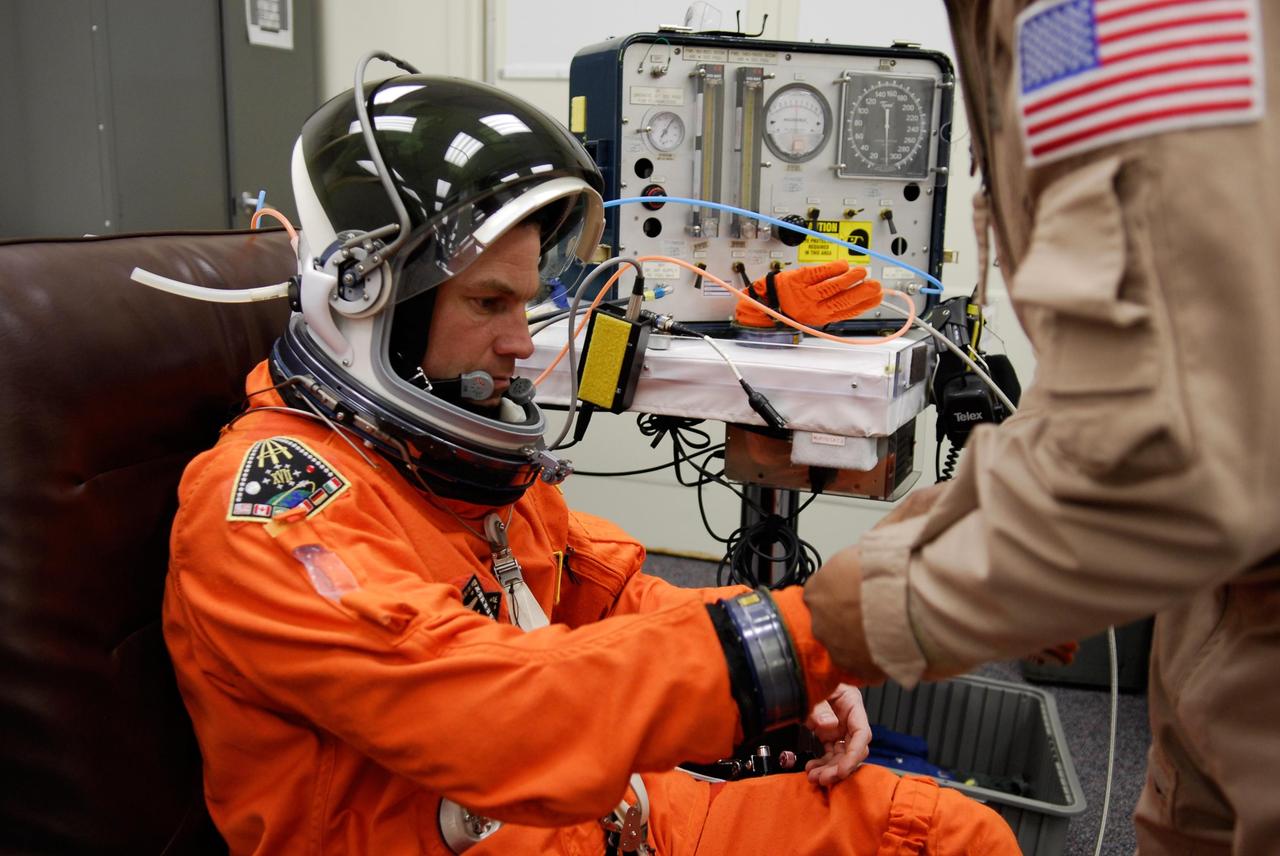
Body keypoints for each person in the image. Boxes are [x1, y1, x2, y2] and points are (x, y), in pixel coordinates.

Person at [161, 59, 1018, 855]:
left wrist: (786, 671)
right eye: (488, 302)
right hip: (527, 814)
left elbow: (600, 593)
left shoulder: (452, 470)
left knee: (948, 836)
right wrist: (815, 637)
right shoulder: (273, 517)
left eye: (524, 304)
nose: (516, 345)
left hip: (620, 819)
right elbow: (502, 715)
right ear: (365, 304)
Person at [805, 3, 1280, 854]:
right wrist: (967, 530)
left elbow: (1191, 439)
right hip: (1220, 603)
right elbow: (1133, 367)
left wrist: (877, 609)